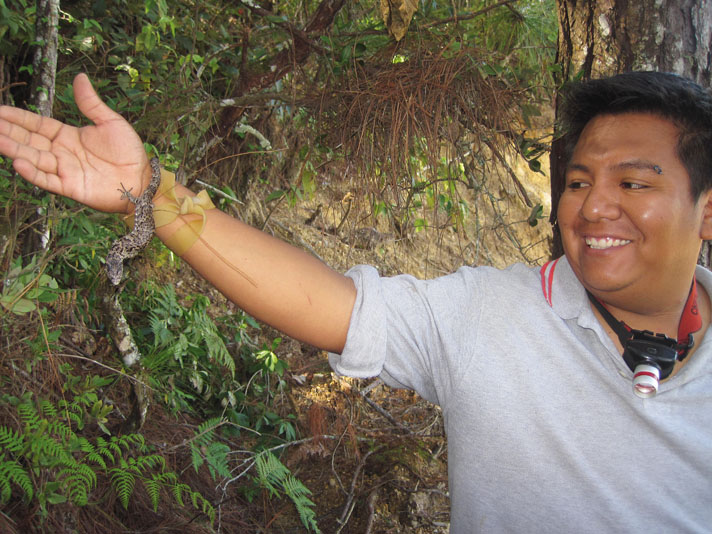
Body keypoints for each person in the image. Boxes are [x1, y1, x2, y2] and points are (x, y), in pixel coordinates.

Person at [1, 70, 711, 532]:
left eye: (636, 184)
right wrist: (156, 195)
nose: (593, 208)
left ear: (705, 213)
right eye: (580, 180)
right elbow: (321, 302)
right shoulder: (491, 315)